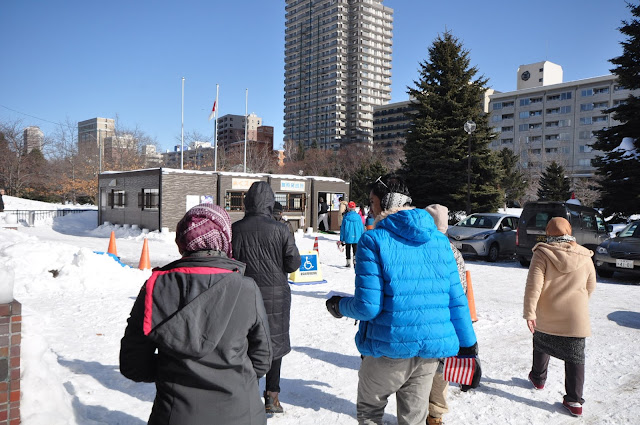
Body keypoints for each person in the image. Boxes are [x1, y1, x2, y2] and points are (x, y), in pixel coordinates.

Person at [325, 174, 478, 425]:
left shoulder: (373, 240)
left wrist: (338, 306)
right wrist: (468, 343)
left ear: (385, 203)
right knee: (414, 418)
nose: (371, 209)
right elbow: (456, 299)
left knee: (370, 410)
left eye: (373, 202)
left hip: (389, 347)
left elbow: (368, 305)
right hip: (430, 352)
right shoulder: (440, 241)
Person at [119, 203, 272, 425]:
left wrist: (169, 372)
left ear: (182, 240)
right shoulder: (246, 288)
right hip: (241, 412)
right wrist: (236, 378)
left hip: (175, 413)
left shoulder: (155, 286)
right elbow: (263, 357)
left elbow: (133, 363)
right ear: (224, 239)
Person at [232, 181, 301, 415]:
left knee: (246, 343)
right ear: (270, 202)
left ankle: (247, 394)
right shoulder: (280, 229)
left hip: (244, 293)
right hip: (276, 294)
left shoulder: (236, 229)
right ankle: (272, 397)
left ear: (247, 202)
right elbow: (293, 262)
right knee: (275, 344)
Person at [523, 217, 596, 417]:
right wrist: (578, 304)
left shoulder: (542, 253)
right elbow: (591, 285)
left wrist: (530, 312)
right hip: (576, 317)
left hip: (547, 313)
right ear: (569, 231)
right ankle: (574, 400)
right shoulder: (585, 255)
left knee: (541, 342)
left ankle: (538, 379)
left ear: (548, 233)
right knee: (575, 356)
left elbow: (533, 286)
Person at [424, 204, 469, 425]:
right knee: (441, 370)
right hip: (446, 322)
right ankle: (435, 415)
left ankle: (418, 411)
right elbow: (461, 293)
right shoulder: (453, 251)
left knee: (419, 370)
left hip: (421, 320)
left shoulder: (417, 248)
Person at [340, 201, 365, 268]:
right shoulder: (358, 217)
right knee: (355, 249)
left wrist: (341, 239)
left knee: (348, 249)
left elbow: (342, 229)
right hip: (357, 236)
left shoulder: (346, 217)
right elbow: (361, 227)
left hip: (348, 236)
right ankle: (355, 261)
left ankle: (348, 262)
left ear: (348, 208)